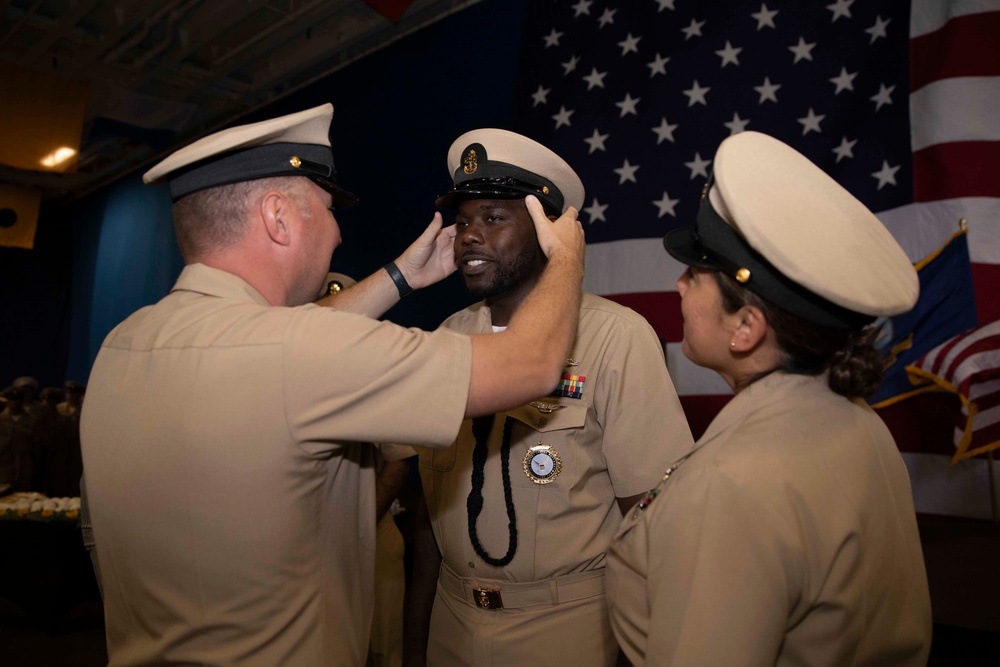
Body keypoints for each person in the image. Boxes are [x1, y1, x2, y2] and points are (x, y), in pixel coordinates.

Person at [80, 104, 586, 666]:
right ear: (277, 217)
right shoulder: (294, 352)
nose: (338, 231)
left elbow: (291, 343)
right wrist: (565, 257)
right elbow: (531, 365)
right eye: (324, 208)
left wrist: (402, 277)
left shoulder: (122, 345)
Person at [606, 131, 932, 666]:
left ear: (747, 327)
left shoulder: (733, 479)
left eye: (695, 273)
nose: (680, 286)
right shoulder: (854, 419)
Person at [403, 129, 694, 666]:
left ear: (547, 233)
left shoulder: (614, 337)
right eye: (464, 220)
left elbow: (653, 522)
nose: (469, 236)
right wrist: (415, 649)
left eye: (494, 218)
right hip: (452, 618)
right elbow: (425, 513)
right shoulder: (443, 338)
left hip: (569, 629)